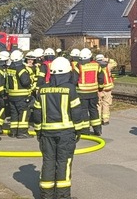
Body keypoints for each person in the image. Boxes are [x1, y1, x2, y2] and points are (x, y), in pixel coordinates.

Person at [31, 56, 86, 199]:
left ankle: (46, 195)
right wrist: (78, 130)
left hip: (46, 134)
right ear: (68, 73)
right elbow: (76, 112)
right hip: (66, 134)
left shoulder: (42, 90)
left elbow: (36, 113)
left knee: (48, 162)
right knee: (64, 162)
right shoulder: (70, 89)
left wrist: (38, 130)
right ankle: (62, 196)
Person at [75, 49, 103, 136]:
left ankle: (85, 130)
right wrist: (100, 88)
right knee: (93, 110)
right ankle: (97, 129)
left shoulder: (78, 65)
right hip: (93, 92)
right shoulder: (96, 65)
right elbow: (101, 78)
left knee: (83, 111)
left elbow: (74, 79)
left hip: (82, 93)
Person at [6, 49, 33, 139]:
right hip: (22, 96)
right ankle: (22, 132)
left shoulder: (10, 68)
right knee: (24, 113)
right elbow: (25, 82)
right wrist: (30, 80)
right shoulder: (21, 69)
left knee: (14, 113)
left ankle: (13, 132)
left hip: (11, 95)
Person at [95, 54, 114, 126]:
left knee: (99, 104)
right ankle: (105, 120)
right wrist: (107, 59)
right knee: (106, 104)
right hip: (108, 89)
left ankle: (98, 119)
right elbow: (114, 63)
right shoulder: (108, 66)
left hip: (99, 89)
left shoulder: (95, 66)